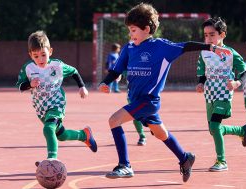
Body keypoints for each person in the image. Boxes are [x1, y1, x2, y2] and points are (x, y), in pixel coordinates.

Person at [98, 3, 232, 182]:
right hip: (136, 100)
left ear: (146, 29)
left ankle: (125, 165)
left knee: (114, 120)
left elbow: (186, 46)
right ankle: (185, 158)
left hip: (149, 101)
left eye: (133, 30)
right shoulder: (129, 48)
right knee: (161, 134)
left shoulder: (161, 47)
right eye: (129, 31)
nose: (130, 35)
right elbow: (116, 70)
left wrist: (212, 48)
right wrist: (105, 82)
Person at [16, 30, 97, 165]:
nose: (40, 59)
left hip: (56, 102)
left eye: (43, 55)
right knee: (61, 135)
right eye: (36, 56)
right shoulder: (28, 68)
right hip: (40, 107)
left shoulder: (57, 65)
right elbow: (20, 86)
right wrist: (29, 85)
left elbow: (74, 71)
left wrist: (82, 86)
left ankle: (51, 159)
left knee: (48, 128)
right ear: (30, 55)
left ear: (50, 51)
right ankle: (84, 135)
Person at [195, 17, 246, 172]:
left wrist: (237, 83)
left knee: (214, 125)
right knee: (214, 129)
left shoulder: (230, 53)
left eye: (212, 34)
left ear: (222, 35)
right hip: (210, 94)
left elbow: (245, 71)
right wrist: (200, 83)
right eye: (205, 35)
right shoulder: (204, 52)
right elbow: (202, 71)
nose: (208, 38)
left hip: (224, 94)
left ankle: (222, 161)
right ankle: (241, 130)